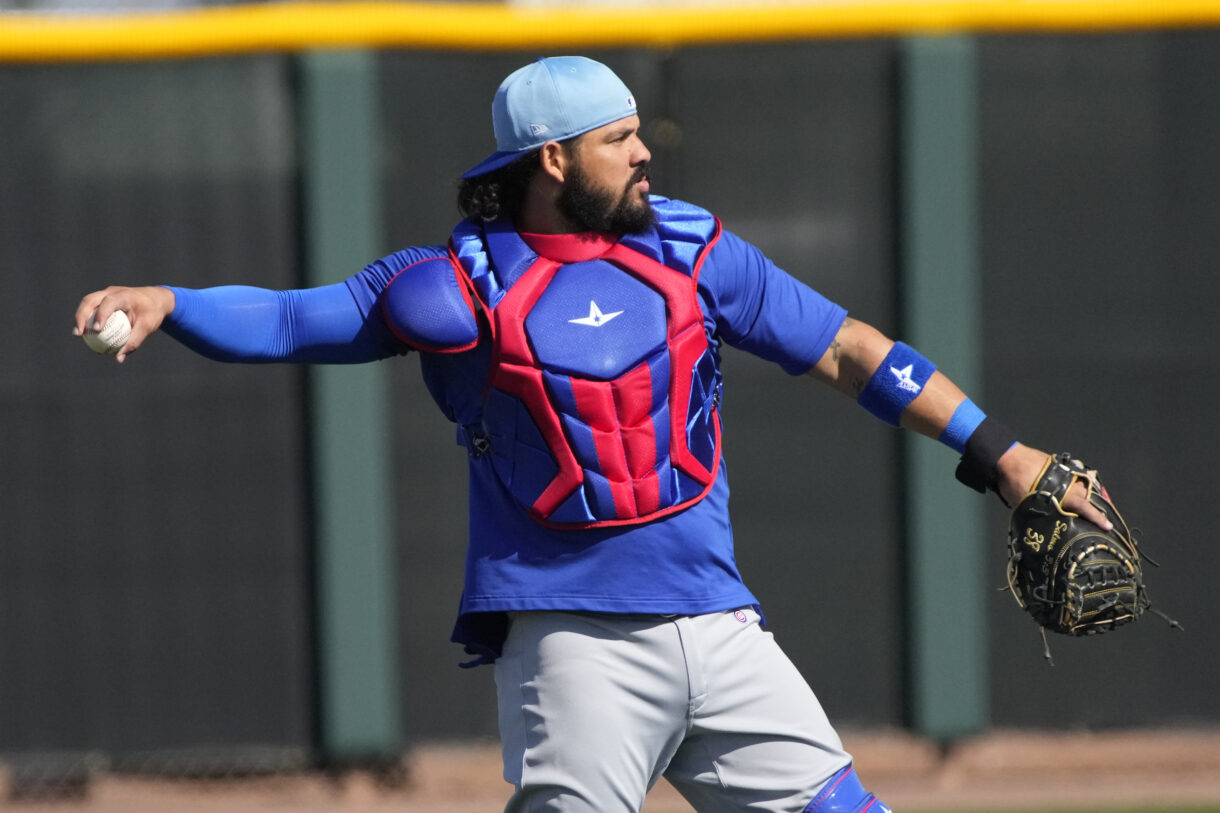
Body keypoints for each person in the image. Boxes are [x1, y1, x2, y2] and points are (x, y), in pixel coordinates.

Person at [73, 56, 1112, 813]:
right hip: (572, 641)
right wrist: (170, 301)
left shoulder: (692, 251)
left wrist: (1006, 458)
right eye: (618, 138)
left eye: (637, 131)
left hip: (718, 623)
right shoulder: (457, 288)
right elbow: (292, 320)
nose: (644, 150)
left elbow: (851, 352)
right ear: (554, 157)